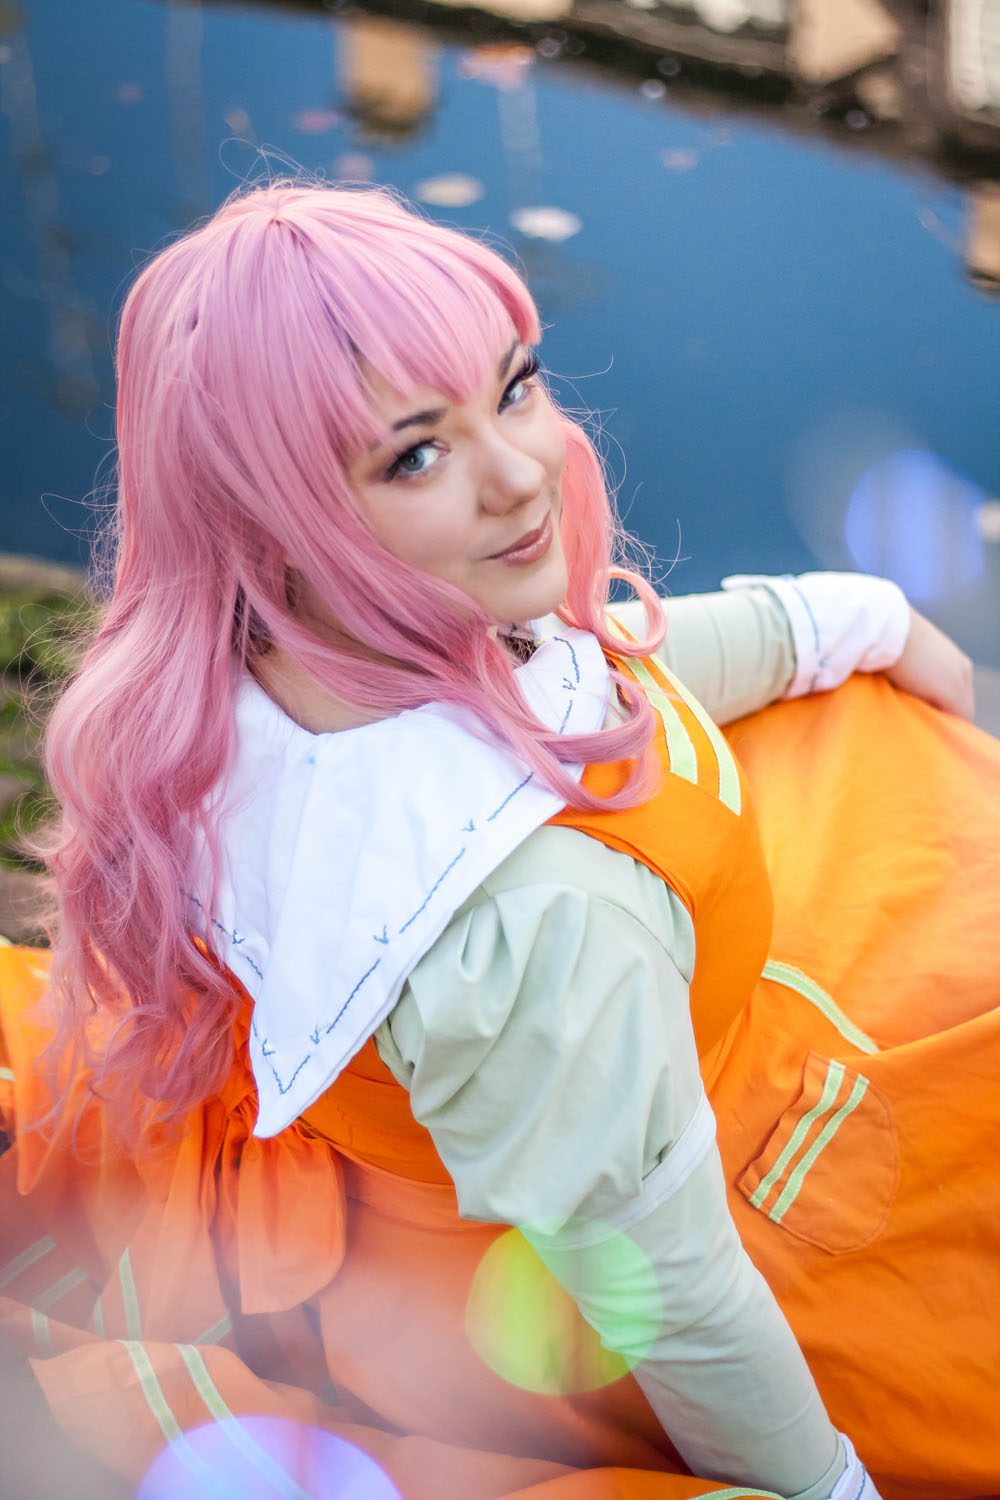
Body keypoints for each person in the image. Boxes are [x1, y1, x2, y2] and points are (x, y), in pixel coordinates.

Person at [1, 181, 998, 1500]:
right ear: (272, 515)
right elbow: (676, 1304)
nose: (523, 473)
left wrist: (828, 623)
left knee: (849, 725)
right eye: (414, 456)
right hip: (643, 1255)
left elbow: (591, 677)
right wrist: (823, 1490)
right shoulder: (539, 926)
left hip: (542, 1128)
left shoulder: (260, 659)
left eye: (513, 387)